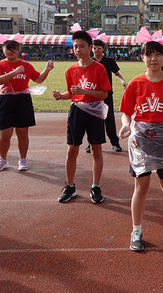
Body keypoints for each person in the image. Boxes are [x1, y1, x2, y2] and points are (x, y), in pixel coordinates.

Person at [118, 40, 163, 252]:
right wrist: (125, 126)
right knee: (141, 187)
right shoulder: (135, 84)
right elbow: (126, 112)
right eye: (149, 55)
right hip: (140, 141)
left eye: (158, 54)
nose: (153, 59)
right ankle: (136, 231)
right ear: (142, 57)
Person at [53, 31, 111, 204]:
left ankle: (95, 186)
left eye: (82, 46)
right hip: (77, 111)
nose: (78, 50)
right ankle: (70, 186)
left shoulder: (99, 68)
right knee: (72, 149)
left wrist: (84, 91)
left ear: (90, 47)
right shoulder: (70, 70)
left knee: (96, 150)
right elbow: (72, 94)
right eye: (75, 47)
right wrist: (59, 96)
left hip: (95, 112)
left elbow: (104, 93)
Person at [0, 34, 54, 172]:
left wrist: (47, 70)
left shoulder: (26, 65)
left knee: (22, 132)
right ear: (3, 50)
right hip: (5, 100)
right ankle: (2, 159)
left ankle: (23, 159)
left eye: (13, 49)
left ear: (19, 49)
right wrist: (14, 72)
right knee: (5, 133)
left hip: (22, 100)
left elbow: (38, 80)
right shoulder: (0, 65)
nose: (10, 52)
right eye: (8, 49)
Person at [86, 38, 127, 154]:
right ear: (91, 49)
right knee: (92, 121)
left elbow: (117, 74)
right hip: (92, 96)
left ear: (103, 49)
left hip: (106, 95)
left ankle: (115, 143)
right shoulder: (89, 61)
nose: (96, 50)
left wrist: (123, 81)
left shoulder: (109, 62)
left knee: (109, 120)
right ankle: (90, 143)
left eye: (99, 48)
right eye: (94, 48)